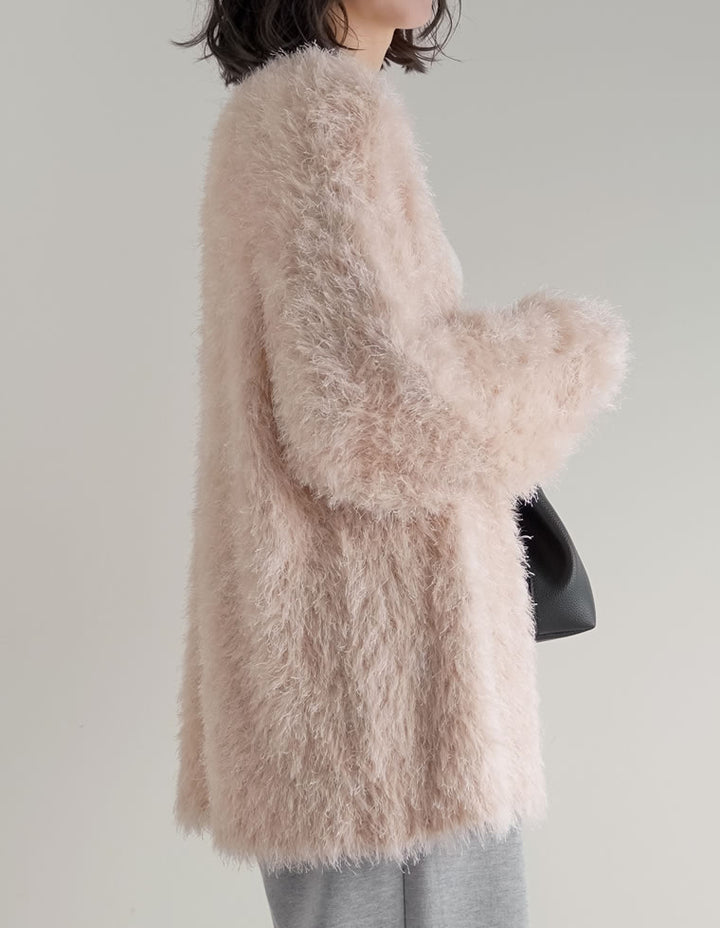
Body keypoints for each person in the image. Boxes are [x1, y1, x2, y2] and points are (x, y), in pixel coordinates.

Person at [171, 2, 631, 926]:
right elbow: (369, 410)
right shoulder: (317, 112)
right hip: (388, 720)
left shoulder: (293, 111)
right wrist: (568, 352)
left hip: (363, 702)